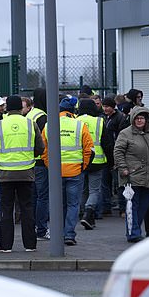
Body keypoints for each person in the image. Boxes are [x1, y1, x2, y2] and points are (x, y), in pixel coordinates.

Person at [0, 95, 45, 252]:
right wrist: (29, 157)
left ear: (7, 108)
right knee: (27, 208)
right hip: (26, 172)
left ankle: (6, 246)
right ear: (21, 108)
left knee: (6, 209)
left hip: (5, 173)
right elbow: (40, 147)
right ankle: (30, 245)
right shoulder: (30, 124)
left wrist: (1, 160)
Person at [42, 98, 93, 245]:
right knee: (73, 205)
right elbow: (88, 149)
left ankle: (59, 234)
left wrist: (48, 165)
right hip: (75, 171)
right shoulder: (80, 125)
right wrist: (83, 166)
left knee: (59, 204)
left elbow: (43, 149)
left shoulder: (49, 125)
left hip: (56, 171)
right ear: (73, 111)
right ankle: (69, 234)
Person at [114, 106, 149, 243]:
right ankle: (133, 233)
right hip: (131, 175)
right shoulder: (125, 134)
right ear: (133, 119)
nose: (140, 120)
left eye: (143, 118)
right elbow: (118, 151)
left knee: (145, 204)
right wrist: (123, 168)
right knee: (132, 205)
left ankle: (135, 228)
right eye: (137, 118)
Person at [78, 99, 114, 230]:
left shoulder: (76, 121)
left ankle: (85, 215)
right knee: (94, 190)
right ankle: (88, 214)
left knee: (83, 190)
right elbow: (107, 143)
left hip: (80, 161)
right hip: (97, 161)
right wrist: (111, 162)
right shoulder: (99, 121)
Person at [27, 87, 50, 240]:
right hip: (41, 161)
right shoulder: (43, 117)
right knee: (43, 197)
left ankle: (33, 227)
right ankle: (41, 229)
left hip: (29, 161)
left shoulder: (30, 114)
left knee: (34, 197)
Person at [102, 96, 130, 217]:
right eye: (104, 106)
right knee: (105, 183)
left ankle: (123, 208)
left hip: (115, 154)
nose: (105, 108)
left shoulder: (120, 119)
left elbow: (121, 138)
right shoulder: (104, 118)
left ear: (113, 107)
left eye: (107, 106)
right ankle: (106, 207)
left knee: (119, 183)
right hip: (106, 154)